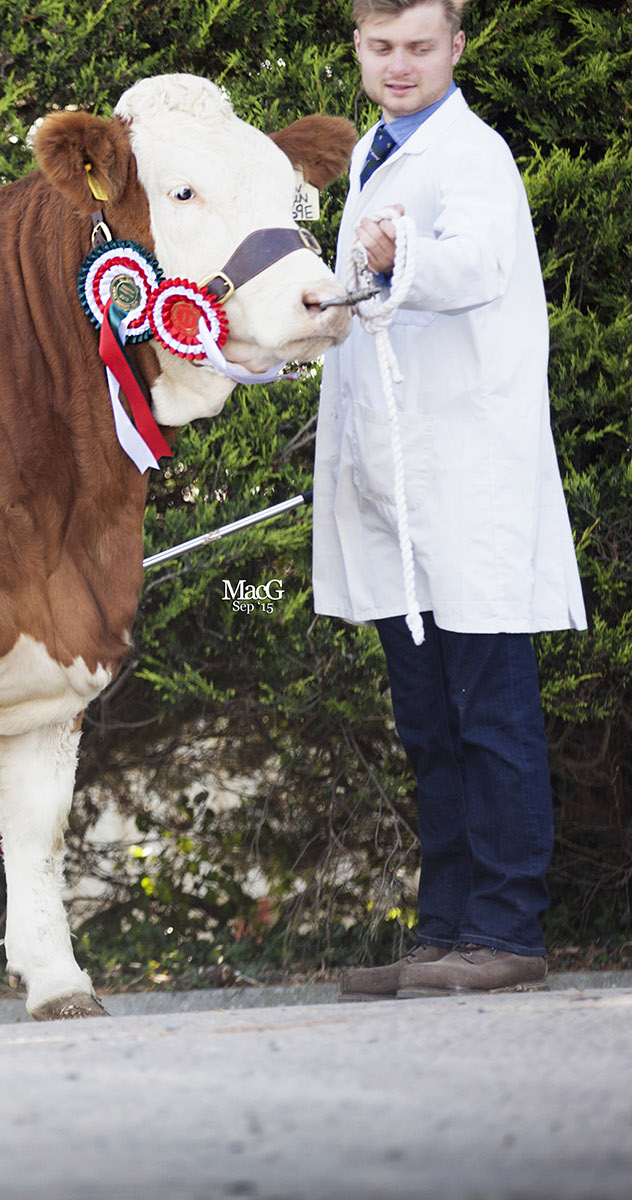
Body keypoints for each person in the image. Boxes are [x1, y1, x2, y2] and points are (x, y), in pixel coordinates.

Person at [314, 0, 587, 1000]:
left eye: (419, 47)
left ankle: (508, 931)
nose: (398, 65)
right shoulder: (371, 159)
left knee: (490, 713)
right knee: (428, 722)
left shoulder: (476, 155)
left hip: (466, 484)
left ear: (456, 48)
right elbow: (372, 303)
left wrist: (398, 260)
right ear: (357, 47)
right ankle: (443, 936)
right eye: (380, 47)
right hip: (395, 491)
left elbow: (476, 266)